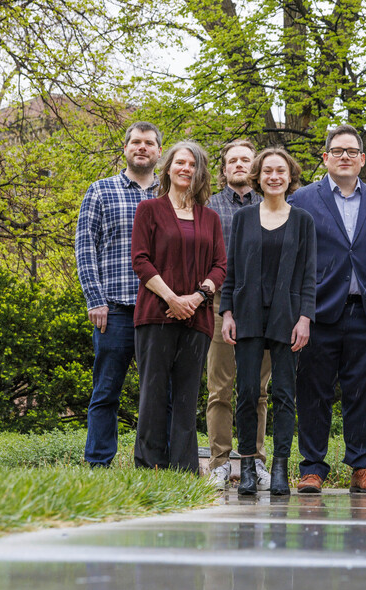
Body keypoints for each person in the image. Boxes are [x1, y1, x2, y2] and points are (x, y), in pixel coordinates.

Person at [293, 124, 366, 494]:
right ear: (325, 158)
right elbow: (296, 261)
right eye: (337, 151)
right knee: (314, 392)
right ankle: (312, 468)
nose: (344, 157)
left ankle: (362, 466)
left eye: (351, 151)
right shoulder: (303, 200)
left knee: (365, 392)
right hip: (318, 313)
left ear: (362, 159)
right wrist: (300, 310)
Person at [220, 148, 316, 496]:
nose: (274, 177)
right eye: (267, 171)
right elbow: (230, 270)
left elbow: (309, 274)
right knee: (246, 391)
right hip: (246, 313)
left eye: (281, 171)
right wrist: (227, 312)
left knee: (284, 394)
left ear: (290, 178)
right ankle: (247, 465)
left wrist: (305, 317)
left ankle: (279, 469)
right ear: (257, 177)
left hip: (287, 316)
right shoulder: (244, 218)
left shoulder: (303, 220)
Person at [130, 141, 226, 472]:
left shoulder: (210, 218)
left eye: (193, 165)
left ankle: (184, 469)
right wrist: (172, 298)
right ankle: (149, 465)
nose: (186, 169)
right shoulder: (149, 210)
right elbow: (140, 261)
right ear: (168, 168)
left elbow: (220, 266)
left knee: (187, 397)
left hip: (197, 318)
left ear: (200, 173)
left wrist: (196, 298)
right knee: (153, 392)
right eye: (180, 163)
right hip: (156, 314)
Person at [75, 121, 163, 467]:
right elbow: (85, 248)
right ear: (125, 148)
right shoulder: (100, 190)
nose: (142, 147)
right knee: (106, 390)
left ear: (159, 151)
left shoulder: (169, 195)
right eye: (136, 142)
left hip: (159, 312)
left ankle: (156, 462)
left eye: (149, 143)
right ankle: (98, 463)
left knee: (158, 393)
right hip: (115, 311)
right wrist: (95, 300)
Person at [205, 139, 273, 491]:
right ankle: (219, 463)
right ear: (224, 168)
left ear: (255, 166)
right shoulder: (210, 206)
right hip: (219, 305)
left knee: (258, 391)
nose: (239, 165)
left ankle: (255, 461)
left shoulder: (272, 205)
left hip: (263, 308)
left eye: (245, 159)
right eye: (232, 160)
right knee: (220, 388)